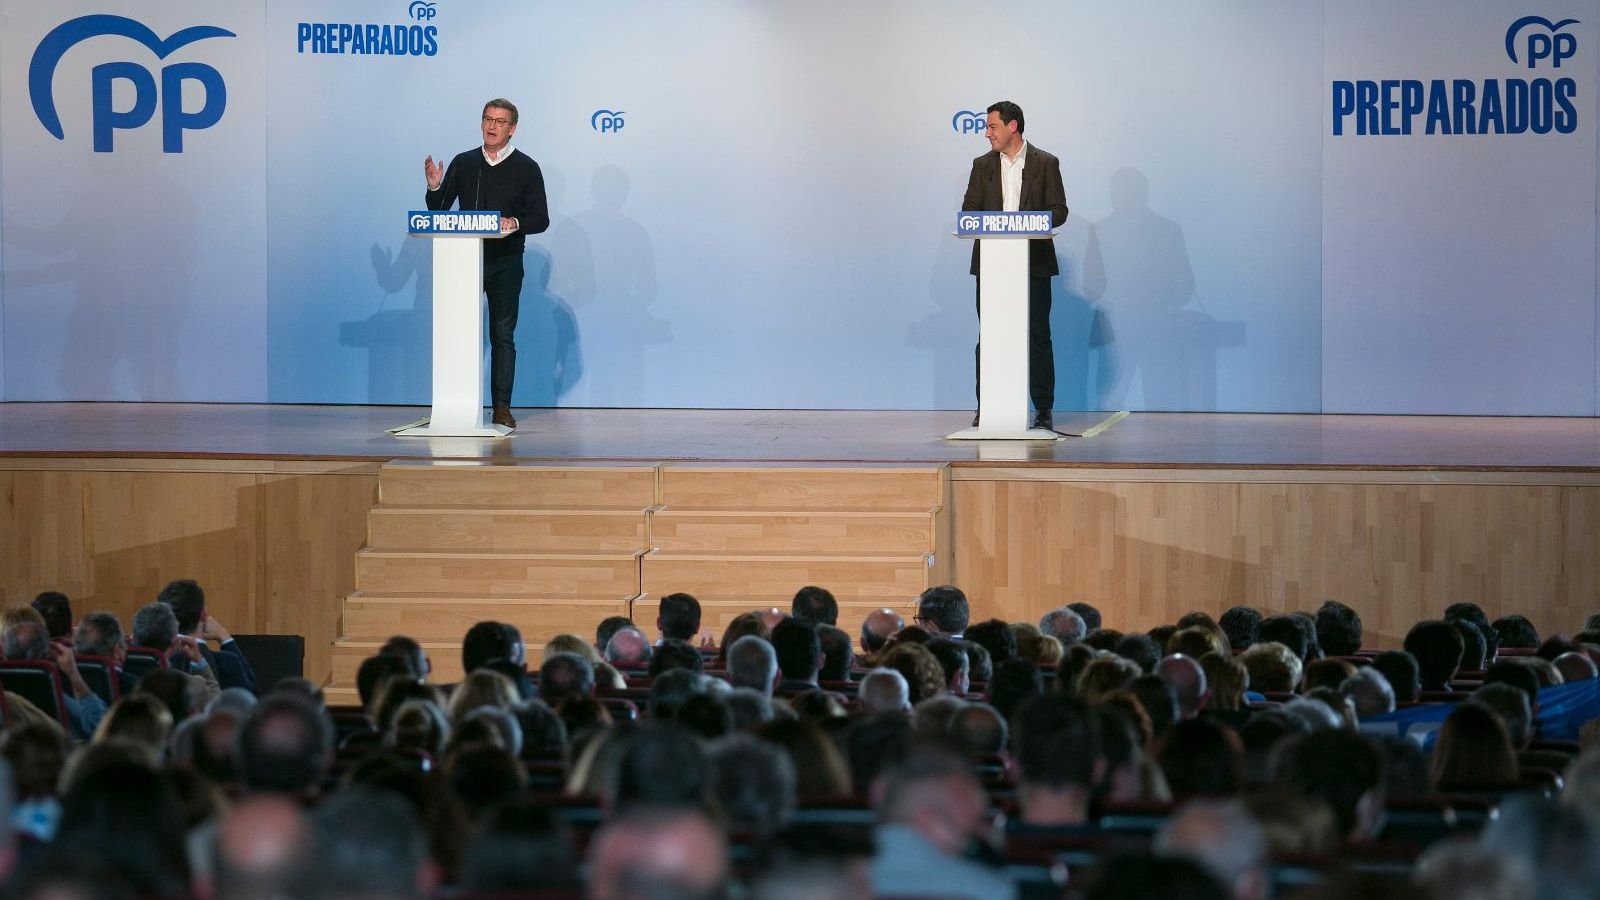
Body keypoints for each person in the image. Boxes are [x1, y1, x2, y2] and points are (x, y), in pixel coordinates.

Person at [423, 97, 550, 428]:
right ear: (481, 124)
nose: (492, 126)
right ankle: (457, 405)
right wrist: (435, 187)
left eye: (500, 121)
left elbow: (541, 218)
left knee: (502, 334)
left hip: (505, 261)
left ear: (512, 129)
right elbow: (439, 211)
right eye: (487, 119)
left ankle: (502, 407)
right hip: (465, 261)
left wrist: (515, 223)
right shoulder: (464, 163)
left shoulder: (527, 167)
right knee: (459, 333)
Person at [961, 100, 1069, 431]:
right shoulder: (982, 166)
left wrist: (1029, 224)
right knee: (989, 337)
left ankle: (1043, 409)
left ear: (1012, 127)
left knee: (1038, 335)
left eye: (992, 126)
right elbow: (970, 212)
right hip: (993, 266)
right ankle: (986, 406)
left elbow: (1059, 210)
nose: (986, 133)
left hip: (1033, 264)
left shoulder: (1046, 163)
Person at [158, 578, 259, 694]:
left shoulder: (153, 661)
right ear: (204, 615)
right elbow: (250, 699)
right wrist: (225, 637)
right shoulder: (226, 662)